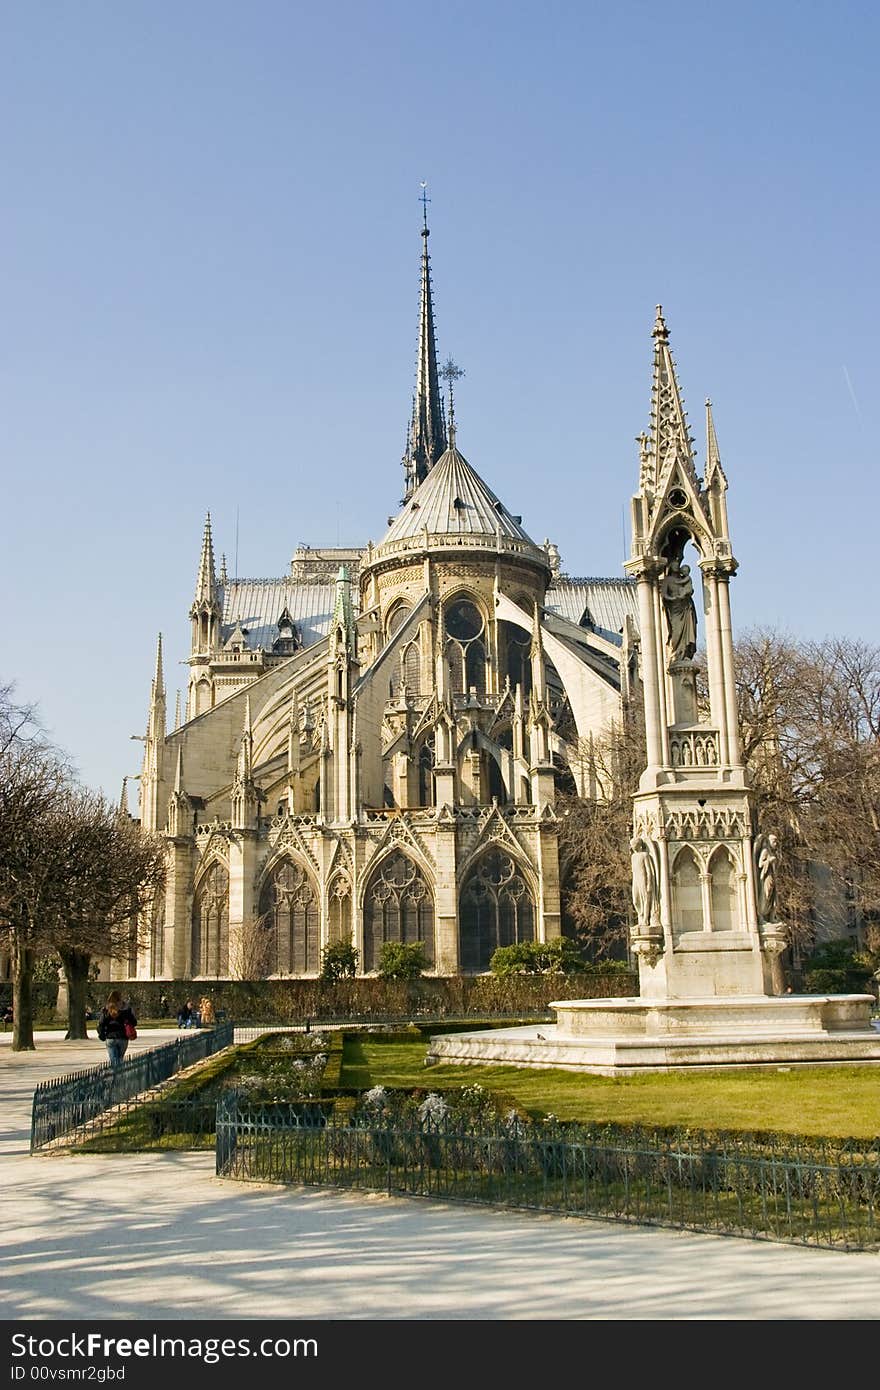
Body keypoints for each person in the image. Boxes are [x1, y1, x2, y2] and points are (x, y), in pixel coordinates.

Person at [660, 559, 698, 661]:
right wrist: (673, 598)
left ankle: (686, 653)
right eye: (674, 565)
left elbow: (690, 589)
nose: (677, 567)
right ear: (671, 567)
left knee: (688, 631)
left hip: (686, 607)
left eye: (678, 565)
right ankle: (676, 653)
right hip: (675, 609)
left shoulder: (685, 578)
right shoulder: (668, 580)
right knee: (676, 632)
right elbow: (664, 595)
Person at [96, 989, 137, 1067]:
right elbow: (134, 1022)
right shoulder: (126, 1009)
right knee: (120, 1059)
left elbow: (101, 1024)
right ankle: (119, 1076)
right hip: (123, 1037)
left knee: (114, 1061)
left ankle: (116, 1076)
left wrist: (102, 1035)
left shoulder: (106, 1010)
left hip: (110, 1037)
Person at [630, 836, 658, 930]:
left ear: (639, 845)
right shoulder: (633, 857)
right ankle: (640, 917)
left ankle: (645, 920)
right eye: (632, 845)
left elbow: (649, 871)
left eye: (634, 844)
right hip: (636, 880)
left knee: (645, 899)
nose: (632, 846)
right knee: (635, 901)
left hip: (643, 879)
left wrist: (649, 883)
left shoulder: (645, 855)